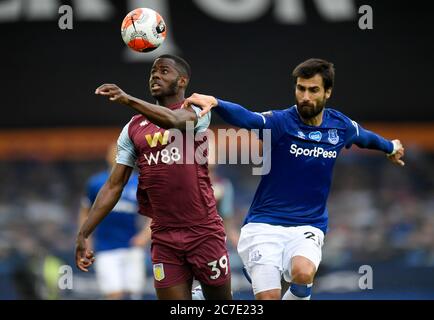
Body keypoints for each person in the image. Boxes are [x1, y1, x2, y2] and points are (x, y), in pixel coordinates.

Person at [183, 58, 405, 300]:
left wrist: (390, 147)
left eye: (313, 90)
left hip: (308, 225)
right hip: (264, 225)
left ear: (327, 92)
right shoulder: (281, 123)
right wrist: (216, 103)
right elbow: (248, 118)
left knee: (303, 272)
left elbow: (366, 137)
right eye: (301, 88)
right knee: (269, 298)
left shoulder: (340, 126)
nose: (305, 96)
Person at [75, 54, 232, 300]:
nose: (155, 76)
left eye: (164, 71)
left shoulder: (196, 109)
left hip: (203, 230)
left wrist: (127, 99)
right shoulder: (133, 128)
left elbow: (174, 121)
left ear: (182, 81)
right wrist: (84, 233)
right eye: (152, 72)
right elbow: (114, 186)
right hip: (164, 236)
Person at [78, 142, 150, 299]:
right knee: (113, 294)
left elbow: (155, 213)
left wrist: (145, 236)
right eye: (116, 152)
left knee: (133, 294)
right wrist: (85, 238)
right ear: (108, 156)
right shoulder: (96, 183)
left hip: (132, 247)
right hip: (105, 248)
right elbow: (85, 212)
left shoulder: (139, 182)